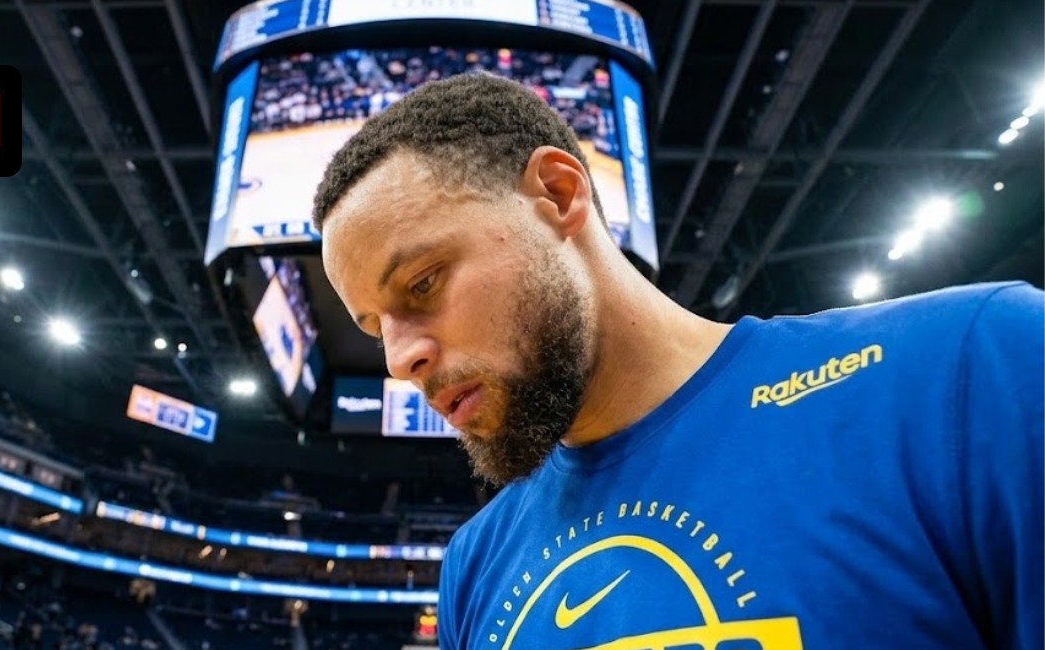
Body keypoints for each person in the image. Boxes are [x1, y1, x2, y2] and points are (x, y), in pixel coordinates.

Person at [312, 72, 1043, 650]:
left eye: (423, 283)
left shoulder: (970, 369)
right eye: (375, 325)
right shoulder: (475, 564)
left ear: (559, 194)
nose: (400, 359)